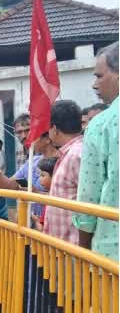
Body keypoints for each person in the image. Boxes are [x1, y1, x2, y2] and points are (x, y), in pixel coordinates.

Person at [75, 42, 119, 261]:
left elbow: (88, 196)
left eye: (99, 76)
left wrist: (83, 249)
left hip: (112, 252)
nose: (94, 85)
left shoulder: (103, 124)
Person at [38, 101, 85, 245]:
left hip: (73, 245)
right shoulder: (68, 153)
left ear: (55, 129)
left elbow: (88, 199)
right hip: (62, 243)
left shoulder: (76, 154)